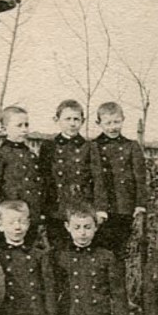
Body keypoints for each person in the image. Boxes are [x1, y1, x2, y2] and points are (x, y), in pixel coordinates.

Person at [41, 99, 108, 247]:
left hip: (82, 207)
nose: (72, 123)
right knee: (58, 249)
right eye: (68, 119)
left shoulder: (90, 147)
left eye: (76, 119)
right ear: (57, 120)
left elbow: (98, 179)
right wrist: (42, 209)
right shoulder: (48, 147)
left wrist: (100, 209)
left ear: (82, 121)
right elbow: (44, 180)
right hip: (57, 209)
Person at [92, 102, 147, 261]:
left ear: (123, 120)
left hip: (124, 207)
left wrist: (140, 204)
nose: (112, 127)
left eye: (117, 122)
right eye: (108, 123)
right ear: (99, 123)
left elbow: (140, 178)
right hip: (100, 208)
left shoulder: (131, 146)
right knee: (99, 250)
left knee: (119, 252)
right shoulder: (93, 146)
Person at [0, 105, 49, 240]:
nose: (24, 129)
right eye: (19, 125)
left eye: (26, 125)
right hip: (10, 215)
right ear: (4, 129)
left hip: (30, 214)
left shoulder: (31, 154)